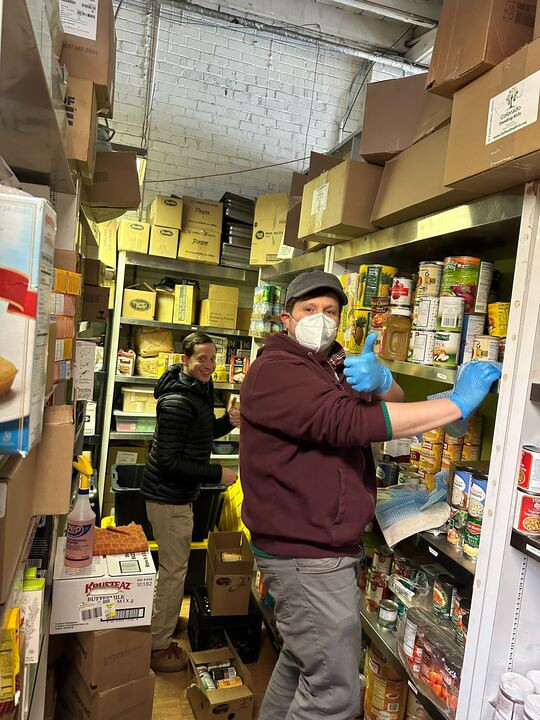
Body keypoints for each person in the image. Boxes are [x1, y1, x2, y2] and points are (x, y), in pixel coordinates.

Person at [239, 270, 500, 720]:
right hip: (305, 553)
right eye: (308, 310)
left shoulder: (329, 360)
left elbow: (387, 401)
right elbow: (350, 423)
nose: (319, 319)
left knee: (301, 663)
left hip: (315, 546)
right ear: (286, 318)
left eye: (330, 312)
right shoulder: (276, 370)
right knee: (334, 695)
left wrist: (383, 381)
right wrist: (456, 404)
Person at [141, 332, 240, 672]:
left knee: (174, 568)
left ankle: (164, 624)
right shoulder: (176, 402)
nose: (209, 366)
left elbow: (201, 433)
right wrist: (217, 474)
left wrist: (228, 422)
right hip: (168, 498)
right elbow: (170, 461)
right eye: (201, 359)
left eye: (213, 359)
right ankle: (157, 645)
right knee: (173, 572)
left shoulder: (196, 389)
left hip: (178, 495)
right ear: (185, 360)